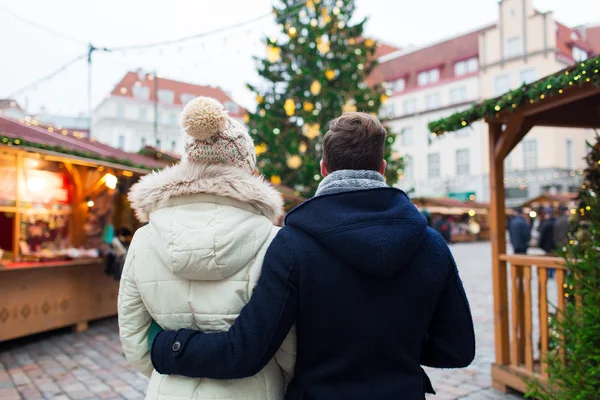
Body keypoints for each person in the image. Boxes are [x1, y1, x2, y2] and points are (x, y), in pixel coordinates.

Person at [148, 112, 475, 399]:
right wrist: (397, 349)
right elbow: (458, 349)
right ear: (383, 168)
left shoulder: (293, 246)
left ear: (323, 168)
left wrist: (165, 346)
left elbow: (245, 351)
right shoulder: (430, 244)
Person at [117, 97, 295, 400]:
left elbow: (133, 337)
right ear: (247, 169)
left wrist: (177, 367)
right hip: (254, 389)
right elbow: (287, 344)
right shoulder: (273, 240)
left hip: (170, 389)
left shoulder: (144, 239)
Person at [538, 206, 557, 278]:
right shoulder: (556, 222)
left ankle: (550, 274)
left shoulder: (546, 224)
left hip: (547, 246)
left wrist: (541, 244)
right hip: (555, 245)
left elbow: (542, 236)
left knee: (549, 260)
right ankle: (554, 273)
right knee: (555, 260)